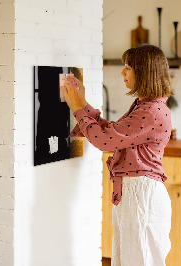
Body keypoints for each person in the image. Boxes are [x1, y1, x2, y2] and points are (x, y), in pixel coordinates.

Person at [61, 44, 173, 266]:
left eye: (128, 67)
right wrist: (82, 103)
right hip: (135, 195)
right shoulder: (145, 106)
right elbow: (112, 133)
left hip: (141, 197)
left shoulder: (150, 111)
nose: (122, 73)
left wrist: (76, 108)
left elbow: (104, 141)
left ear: (144, 72)